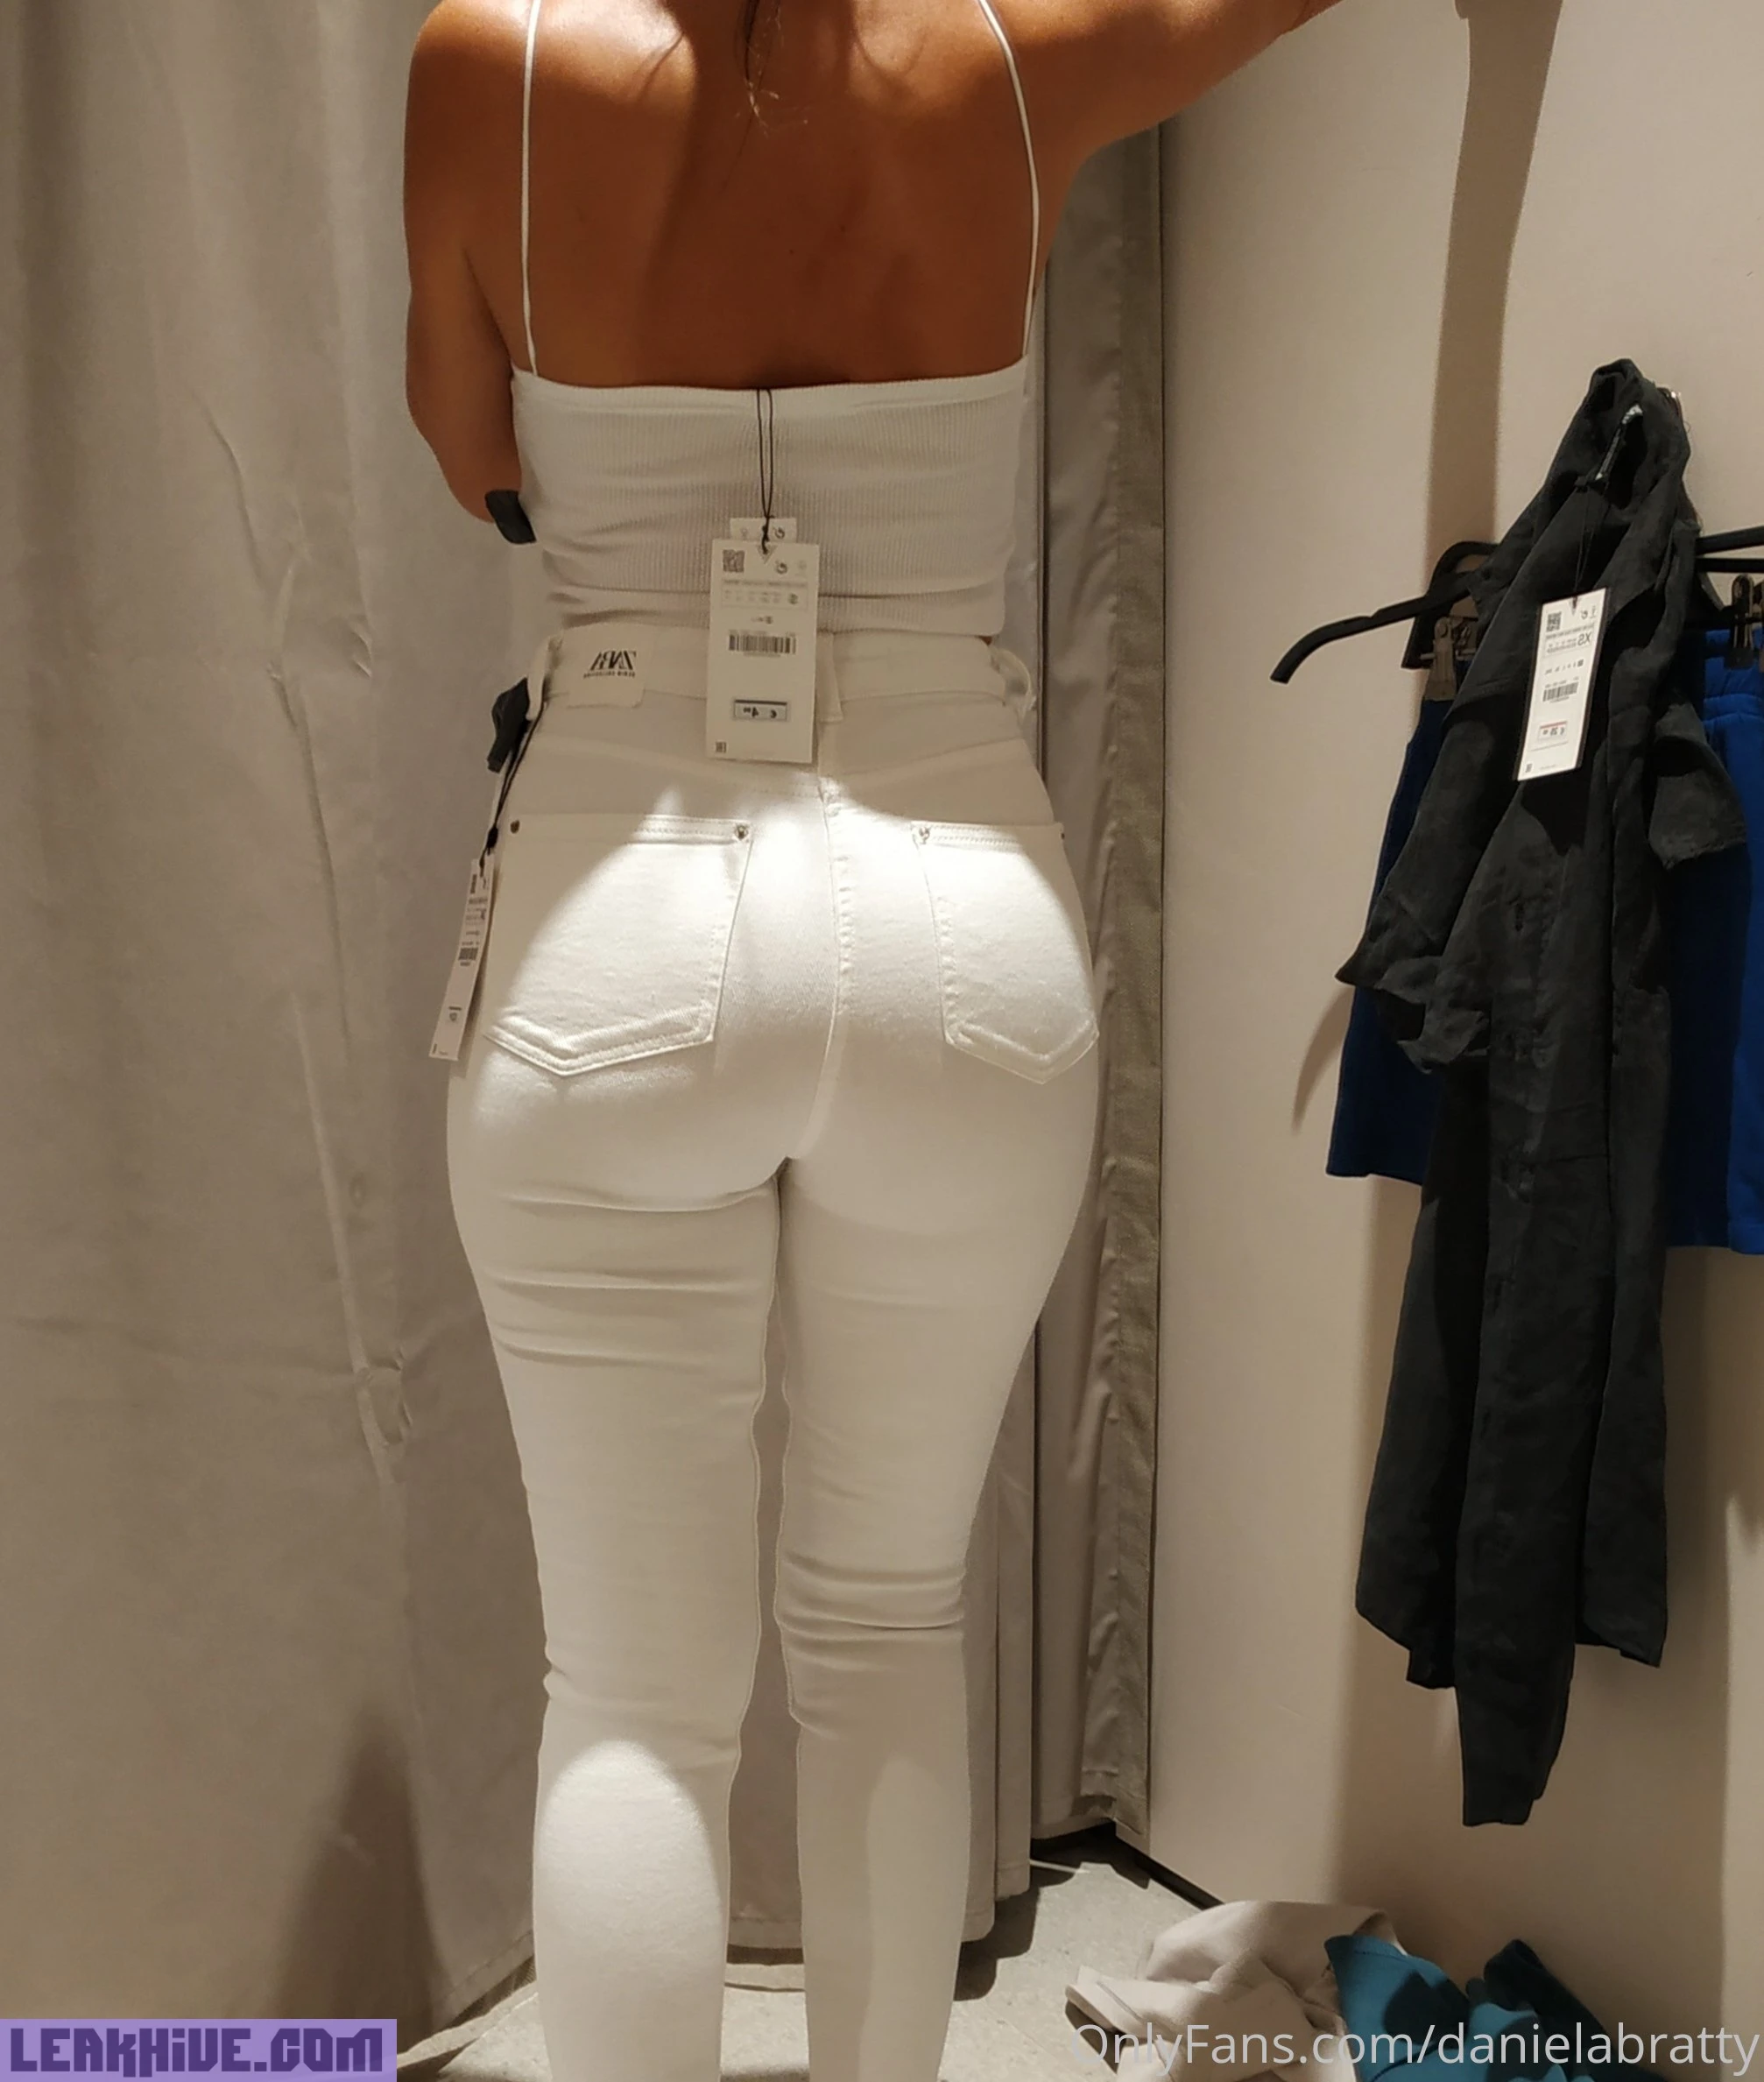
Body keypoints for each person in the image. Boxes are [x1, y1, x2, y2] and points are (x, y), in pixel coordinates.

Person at [402, 3, 1342, 2078]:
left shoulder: (492, 61)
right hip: (957, 917)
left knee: (632, 1693)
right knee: (889, 1616)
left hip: (612, 906)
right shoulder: (1014, 50)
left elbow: (473, 451)